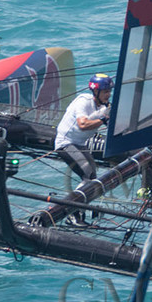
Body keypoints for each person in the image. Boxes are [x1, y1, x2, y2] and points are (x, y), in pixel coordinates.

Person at [54, 73, 113, 224]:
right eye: (105, 91)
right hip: (65, 143)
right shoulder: (83, 102)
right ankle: (72, 212)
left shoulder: (104, 107)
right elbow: (83, 124)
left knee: (93, 178)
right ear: (96, 91)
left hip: (80, 144)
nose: (108, 94)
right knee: (88, 175)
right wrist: (103, 119)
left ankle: (80, 210)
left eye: (109, 91)